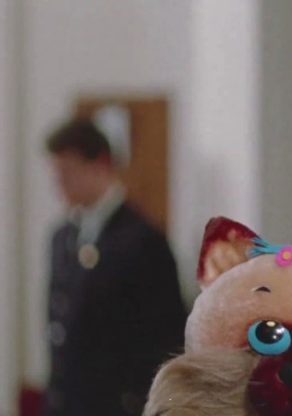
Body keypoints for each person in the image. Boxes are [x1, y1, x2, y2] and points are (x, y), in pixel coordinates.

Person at [43, 117, 187, 415]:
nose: (59, 184)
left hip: (116, 404)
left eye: (68, 171)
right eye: (56, 173)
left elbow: (165, 334)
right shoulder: (63, 237)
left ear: (100, 165)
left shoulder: (143, 241)